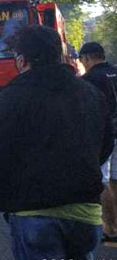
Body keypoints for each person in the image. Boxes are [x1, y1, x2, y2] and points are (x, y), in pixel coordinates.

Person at [0, 26, 114, 260]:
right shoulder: (89, 93)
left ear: (21, 60)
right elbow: (105, 144)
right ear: (59, 55)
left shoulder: (13, 96)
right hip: (86, 216)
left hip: (34, 215)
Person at [79, 42, 117, 245]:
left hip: (105, 135)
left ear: (86, 58)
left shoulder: (89, 80)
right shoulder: (115, 72)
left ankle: (110, 229)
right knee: (115, 180)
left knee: (102, 181)